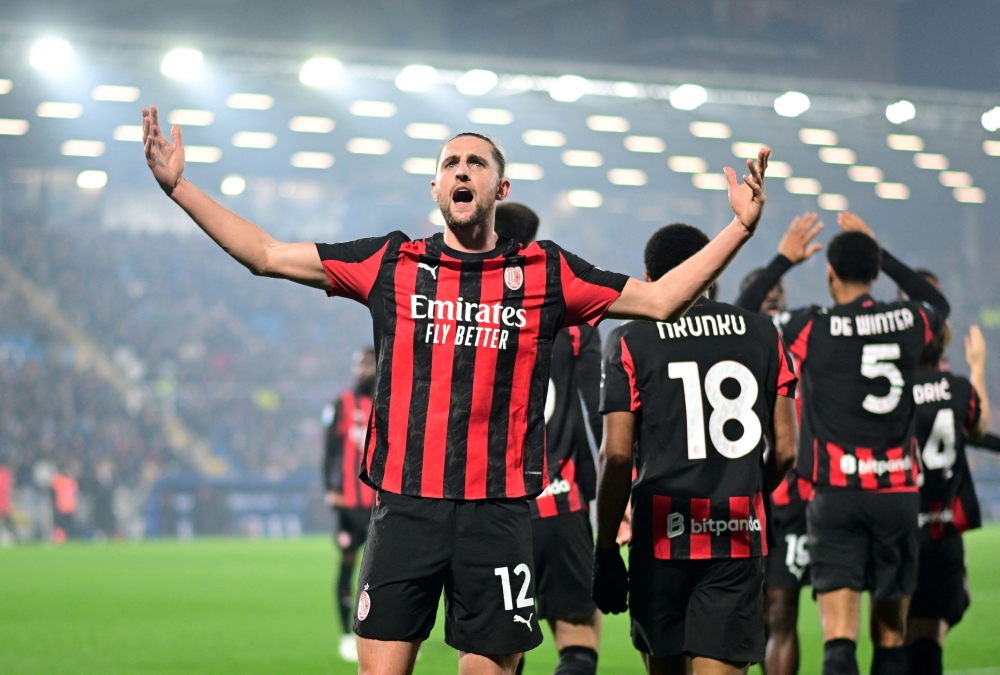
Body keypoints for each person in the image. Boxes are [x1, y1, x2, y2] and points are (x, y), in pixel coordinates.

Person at [142, 103, 771, 675]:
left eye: (476, 161)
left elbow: (660, 299)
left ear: (501, 188)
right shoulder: (392, 263)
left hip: (497, 515)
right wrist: (178, 189)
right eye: (450, 163)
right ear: (437, 187)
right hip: (407, 507)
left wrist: (740, 229)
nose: (461, 170)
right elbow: (267, 254)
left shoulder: (546, 271)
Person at [737, 212, 950, 675]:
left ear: (830, 275)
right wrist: (881, 252)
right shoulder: (910, 319)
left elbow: (745, 315)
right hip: (896, 495)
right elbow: (938, 302)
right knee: (891, 633)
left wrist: (783, 259)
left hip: (836, 496)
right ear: (875, 273)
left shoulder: (813, 326)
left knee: (840, 635)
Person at [594, 223, 799, 675]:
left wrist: (606, 548)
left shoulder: (630, 339)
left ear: (649, 279)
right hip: (737, 536)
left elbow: (617, 456)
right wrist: (746, 494)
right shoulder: (765, 333)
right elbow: (785, 451)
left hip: (661, 536)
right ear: (710, 271)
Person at [494, 202, 603, 675]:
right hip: (561, 504)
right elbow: (594, 420)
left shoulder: (466, 311)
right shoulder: (574, 322)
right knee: (578, 638)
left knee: (498, 649)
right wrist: (608, 507)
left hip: (493, 510)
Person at [736, 213, 824, 675]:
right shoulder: (735, 336)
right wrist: (781, 264)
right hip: (742, 493)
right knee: (743, 615)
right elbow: (744, 304)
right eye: (766, 295)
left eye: (780, 296)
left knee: (781, 612)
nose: (773, 302)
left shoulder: (799, 336)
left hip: (789, 497)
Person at [904, 279, 990, 675]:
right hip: (945, 530)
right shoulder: (956, 389)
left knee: (897, 633)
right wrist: (976, 368)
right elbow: (978, 426)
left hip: (904, 527)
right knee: (932, 634)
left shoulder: (894, 391)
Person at [323, 348, 378, 663]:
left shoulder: (387, 400)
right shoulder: (342, 404)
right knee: (346, 564)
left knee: (383, 571)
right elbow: (329, 450)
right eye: (357, 364)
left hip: (380, 504)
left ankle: (388, 635)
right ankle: (346, 634)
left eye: (366, 363)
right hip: (349, 503)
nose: (360, 370)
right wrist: (332, 488)